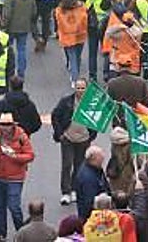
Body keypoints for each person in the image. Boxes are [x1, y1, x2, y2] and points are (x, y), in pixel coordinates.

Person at [0, 111, 35, 239]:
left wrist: (15, 156)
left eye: (7, 124)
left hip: (15, 178)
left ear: (12, 125)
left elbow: (30, 155)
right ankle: (1, 234)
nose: (4, 127)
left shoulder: (21, 137)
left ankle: (21, 232)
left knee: (14, 207)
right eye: (2, 124)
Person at [52, 77, 96, 206]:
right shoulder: (66, 102)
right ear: (74, 88)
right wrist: (60, 134)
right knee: (67, 164)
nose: (80, 90)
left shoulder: (91, 104)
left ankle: (74, 189)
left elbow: (97, 120)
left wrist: (91, 135)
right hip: (68, 138)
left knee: (79, 166)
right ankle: (66, 192)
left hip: (83, 139)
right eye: (78, 87)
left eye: (83, 88)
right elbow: (55, 115)